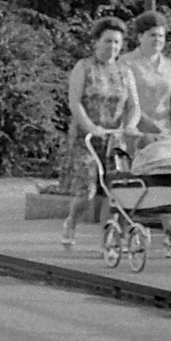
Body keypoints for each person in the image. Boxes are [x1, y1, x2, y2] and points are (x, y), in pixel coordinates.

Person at [61, 18, 140, 249]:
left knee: (115, 189)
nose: (112, 46)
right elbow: (75, 102)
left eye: (117, 42)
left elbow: (134, 105)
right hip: (86, 138)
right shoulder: (84, 67)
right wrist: (91, 127)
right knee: (87, 191)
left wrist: (130, 126)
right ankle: (72, 221)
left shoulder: (125, 71)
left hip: (114, 137)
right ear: (96, 42)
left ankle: (110, 235)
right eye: (107, 41)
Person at [121, 10, 171, 135]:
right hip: (135, 131)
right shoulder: (126, 63)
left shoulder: (170, 66)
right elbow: (123, 102)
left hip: (165, 130)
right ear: (140, 36)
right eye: (152, 35)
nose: (157, 40)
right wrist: (149, 124)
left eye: (161, 36)